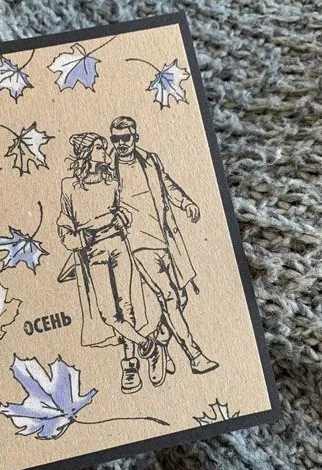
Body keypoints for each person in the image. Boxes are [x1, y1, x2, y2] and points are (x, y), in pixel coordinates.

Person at [57, 132, 166, 394]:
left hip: (118, 245)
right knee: (108, 314)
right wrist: (80, 238)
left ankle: (130, 366)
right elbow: (64, 226)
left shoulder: (112, 182)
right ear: (87, 153)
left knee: (126, 307)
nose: (105, 152)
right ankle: (150, 347)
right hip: (93, 252)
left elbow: (123, 211)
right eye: (99, 147)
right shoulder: (69, 186)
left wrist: (122, 218)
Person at [109, 116, 219, 375]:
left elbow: (167, 185)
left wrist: (186, 202)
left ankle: (160, 337)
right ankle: (195, 356)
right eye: (115, 139)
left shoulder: (150, 160)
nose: (121, 143)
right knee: (168, 297)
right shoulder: (108, 170)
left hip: (166, 239)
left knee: (180, 296)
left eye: (126, 138)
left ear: (135, 137)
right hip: (137, 244)